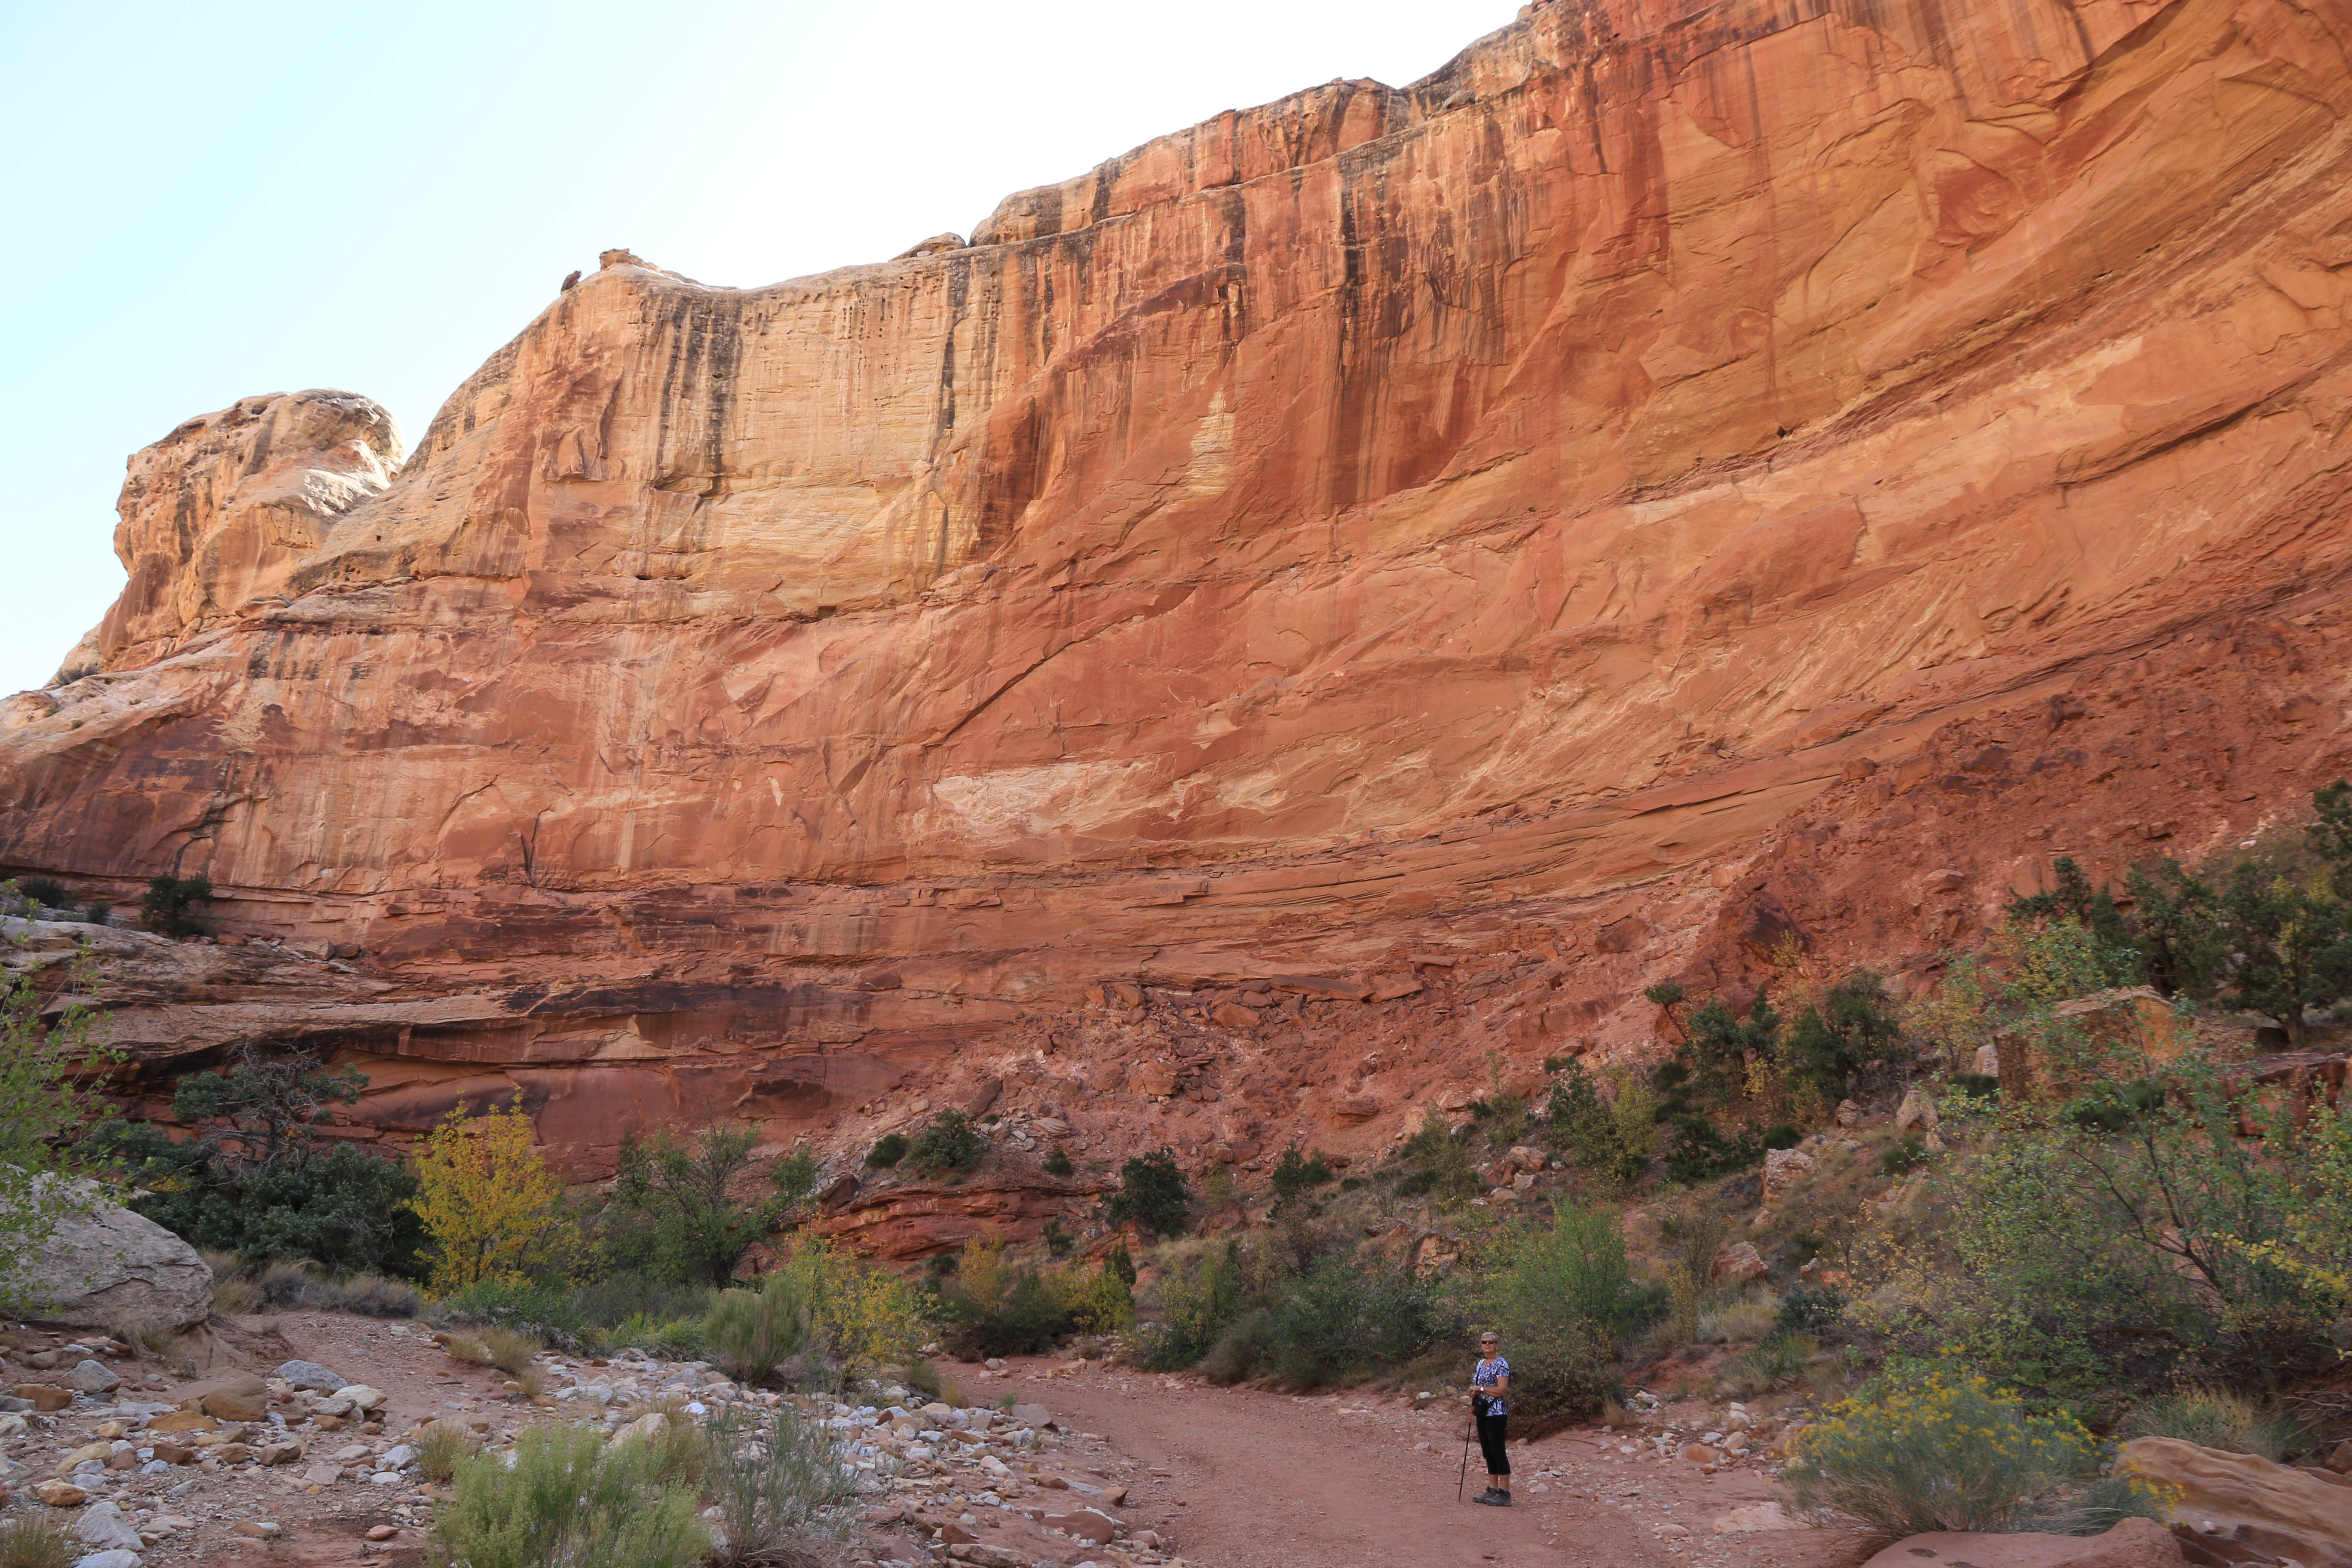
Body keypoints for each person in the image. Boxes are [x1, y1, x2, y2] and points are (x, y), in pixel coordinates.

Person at [1469, 1331, 1511, 1506]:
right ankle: (1493, 1490)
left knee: (1498, 1451)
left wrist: (1480, 1390)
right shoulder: (1481, 1363)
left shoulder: (1501, 1364)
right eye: (1485, 1342)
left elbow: (1502, 1390)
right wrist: (1473, 1391)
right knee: (1487, 1451)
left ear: (1497, 1345)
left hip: (1496, 1413)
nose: (1488, 1345)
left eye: (1491, 1342)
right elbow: (1476, 1385)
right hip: (1482, 1411)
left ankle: (1505, 1494)